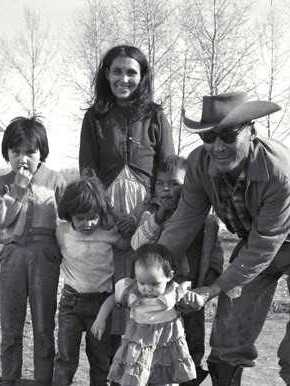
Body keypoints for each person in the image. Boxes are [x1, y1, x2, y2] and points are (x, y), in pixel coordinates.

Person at [157, 91, 290, 386]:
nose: (217, 147)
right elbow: (183, 221)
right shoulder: (197, 164)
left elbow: (263, 247)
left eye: (228, 135)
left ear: (251, 132)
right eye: (208, 137)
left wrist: (212, 289)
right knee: (232, 315)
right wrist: (150, 269)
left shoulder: (277, 170)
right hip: (257, 234)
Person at [79, 44, 175, 338]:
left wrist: (146, 212)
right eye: (117, 71)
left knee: (146, 277)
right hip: (108, 212)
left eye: (131, 72)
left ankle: (149, 345)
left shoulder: (155, 115)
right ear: (106, 74)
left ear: (142, 76)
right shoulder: (95, 117)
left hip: (148, 211)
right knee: (116, 281)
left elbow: (167, 167)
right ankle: (116, 355)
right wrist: (110, 212)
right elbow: (88, 170)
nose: (124, 79)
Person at [131, 155, 224, 386]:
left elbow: (215, 249)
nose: (165, 189)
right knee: (158, 345)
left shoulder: (206, 220)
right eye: (161, 183)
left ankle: (190, 379)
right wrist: (158, 220)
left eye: (174, 183)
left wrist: (213, 271)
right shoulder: (152, 217)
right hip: (160, 297)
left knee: (192, 344)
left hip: (191, 295)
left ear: (190, 185)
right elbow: (137, 245)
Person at [0, 116, 67, 386]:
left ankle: (43, 380)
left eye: (30, 152)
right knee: (11, 326)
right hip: (13, 258)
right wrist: (19, 189)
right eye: (15, 151)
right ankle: (10, 379)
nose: (22, 158)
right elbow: (1, 220)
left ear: (41, 152)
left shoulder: (55, 180)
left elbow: (69, 223)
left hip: (45, 258)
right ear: (7, 153)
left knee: (44, 327)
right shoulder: (2, 183)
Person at [52, 173, 130, 386]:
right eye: (80, 218)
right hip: (71, 303)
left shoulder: (108, 231)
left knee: (100, 359)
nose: (88, 223)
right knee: (66, 356)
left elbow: (126, 245)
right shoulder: (61, 232)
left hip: (101, 305)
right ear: (69, 216)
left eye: (93, 217)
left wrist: (131, 223)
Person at [91, 243, 204, 386]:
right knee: (135, 378)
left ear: (169, 276)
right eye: (142, 283)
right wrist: (100, 319)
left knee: (165, 380)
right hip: (138, 347)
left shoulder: (174, 293)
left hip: (165, 349)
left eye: (154, 284)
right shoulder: (131, 292)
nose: (147, 289)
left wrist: (197, 300)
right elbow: (113, 299)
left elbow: (196, 305)